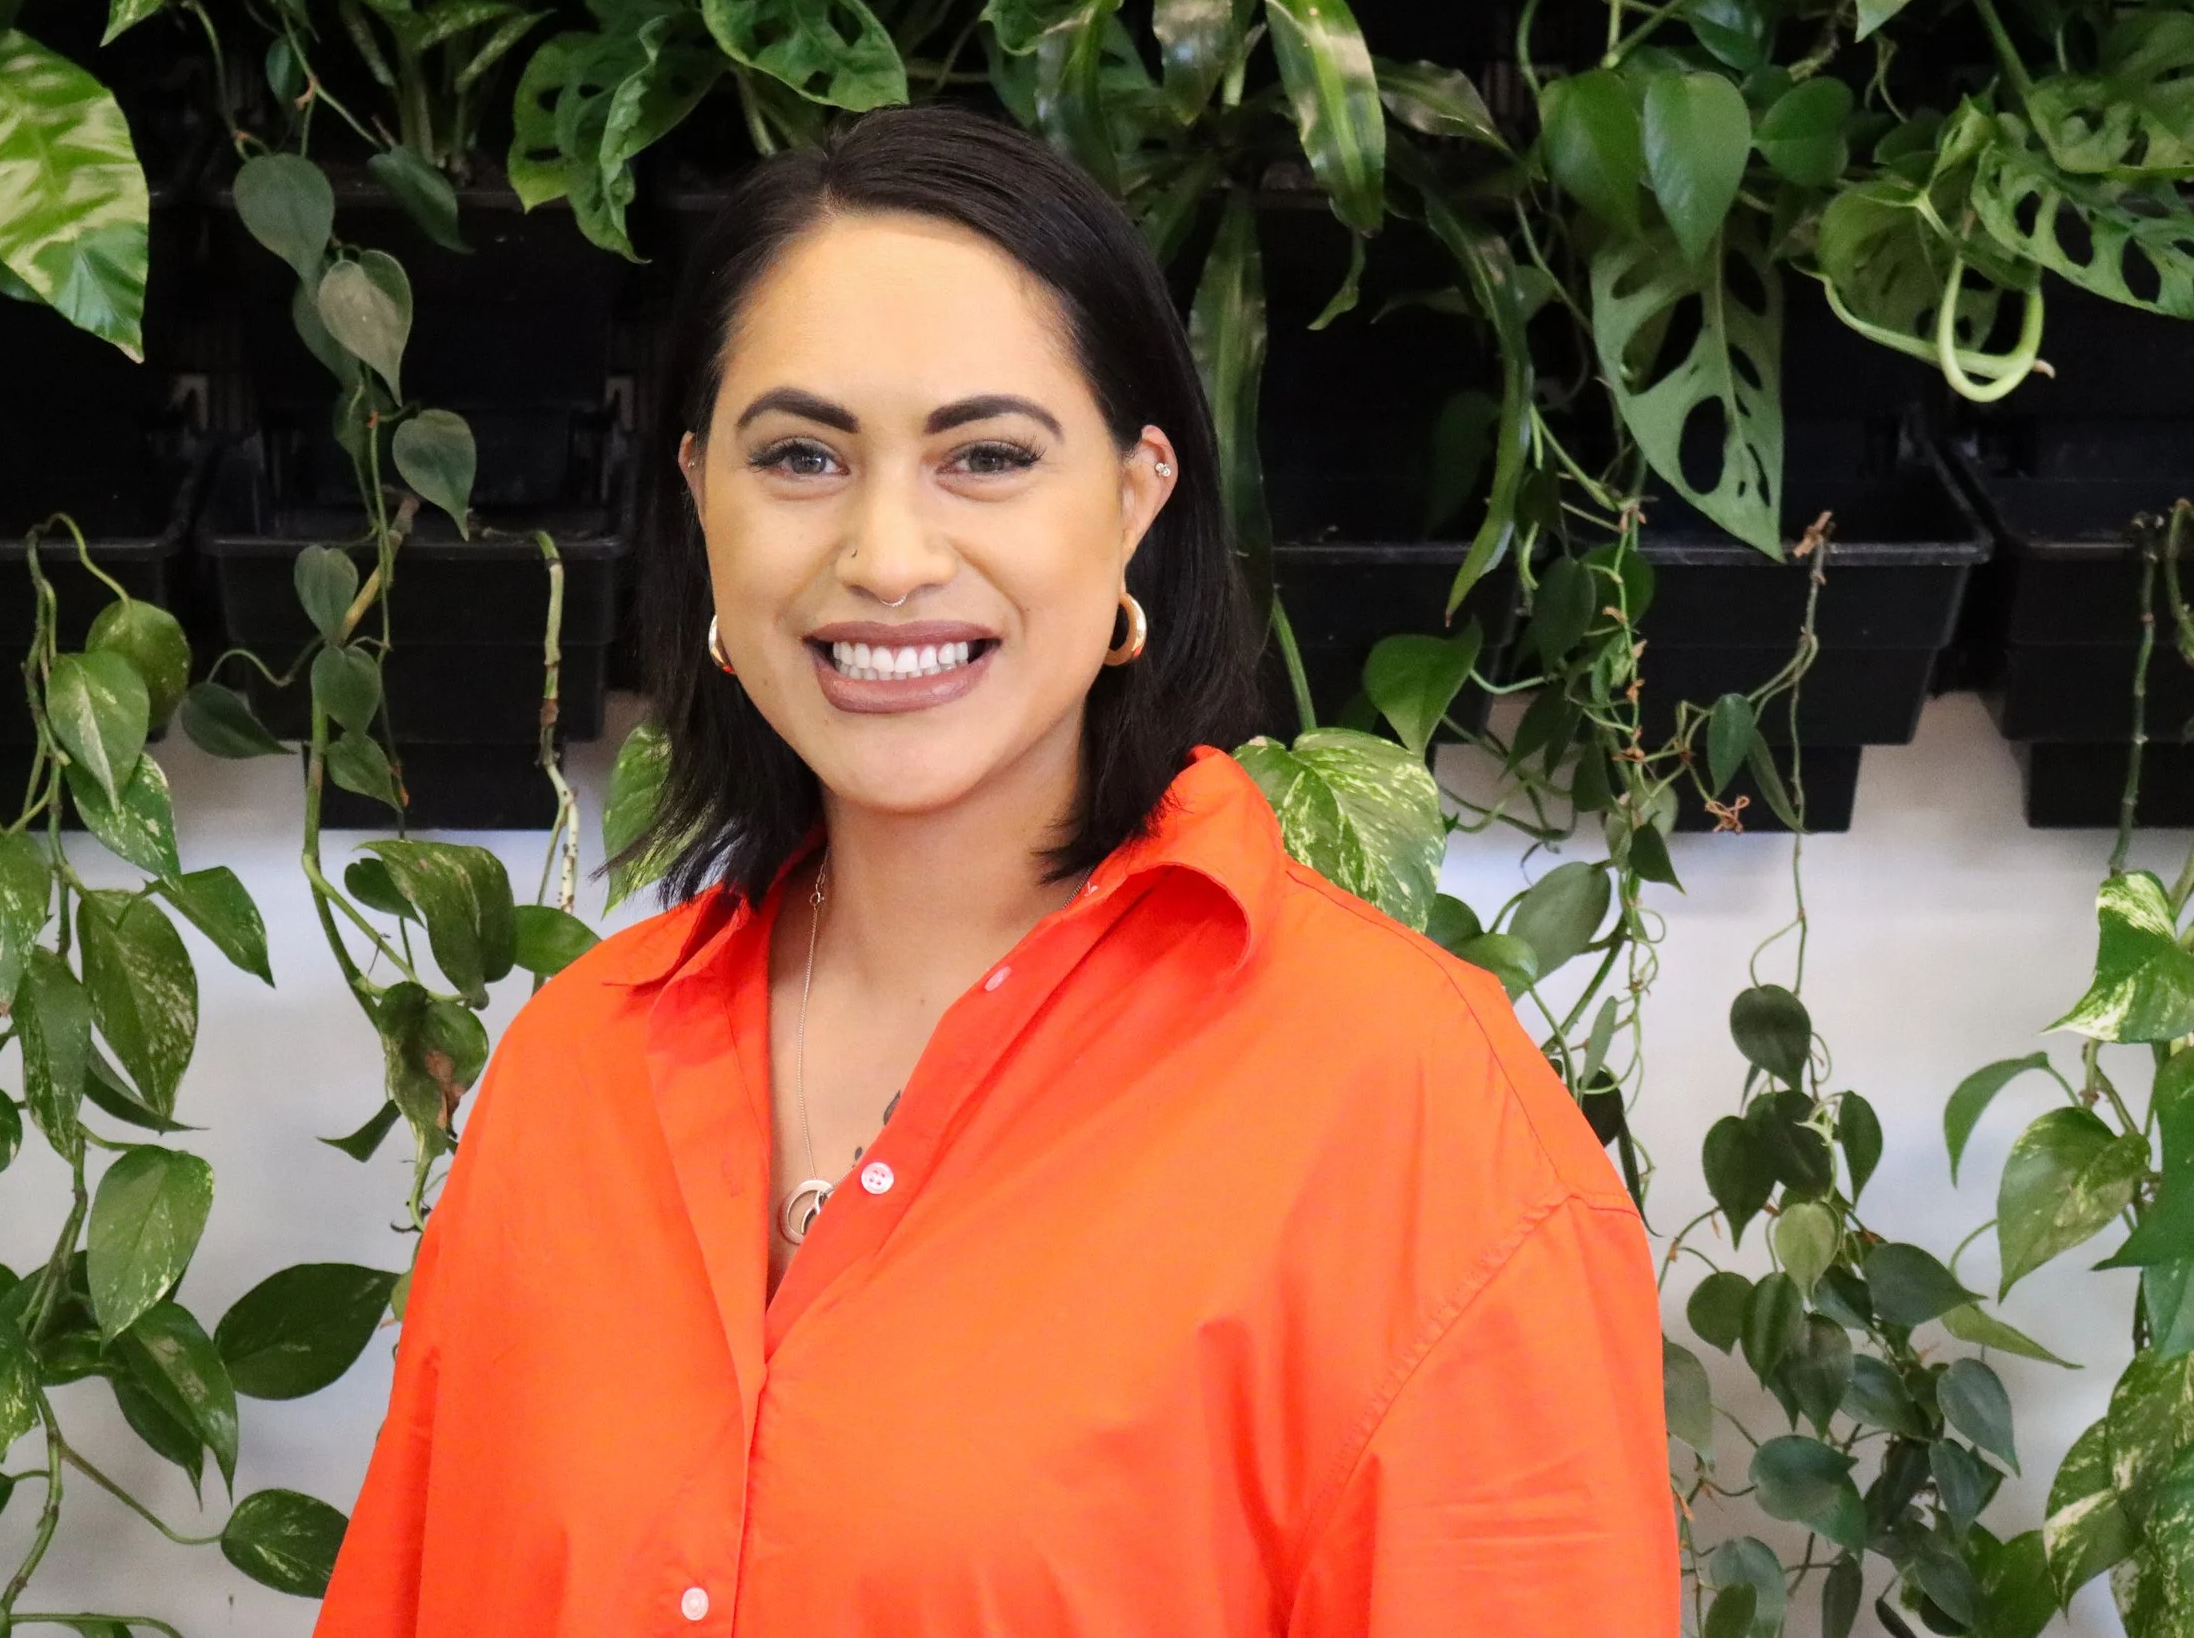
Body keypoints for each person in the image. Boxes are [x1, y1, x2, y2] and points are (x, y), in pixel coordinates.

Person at [313, 102, 1677, 1636]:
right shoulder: (575, 1076)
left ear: (1138, 495)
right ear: (704, 499)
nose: (888, 553)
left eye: (987, 455)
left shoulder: (1411, 1112)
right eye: (804, 454)